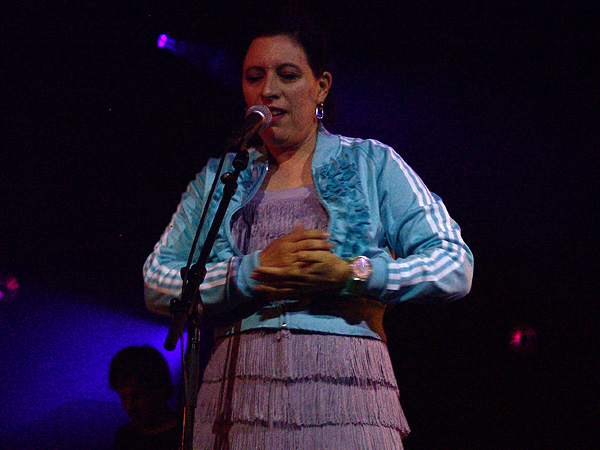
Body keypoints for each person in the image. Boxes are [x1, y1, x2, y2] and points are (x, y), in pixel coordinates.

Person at [143, 14, 473, 450]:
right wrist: (250, 272)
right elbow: (157, 281)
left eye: (287, 75)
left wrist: (353, 274)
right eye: (254, 77)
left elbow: (453, 264)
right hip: (235, 404)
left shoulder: (373, 163)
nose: (268, 90)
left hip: (345, 399)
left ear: (321, 86)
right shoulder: (220, 178)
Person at [109, 345, 182, 450]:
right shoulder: (126, 436)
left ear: (159, 390)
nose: (129, 406)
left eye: (137, 395)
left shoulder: (187, 432)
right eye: (124, 397)